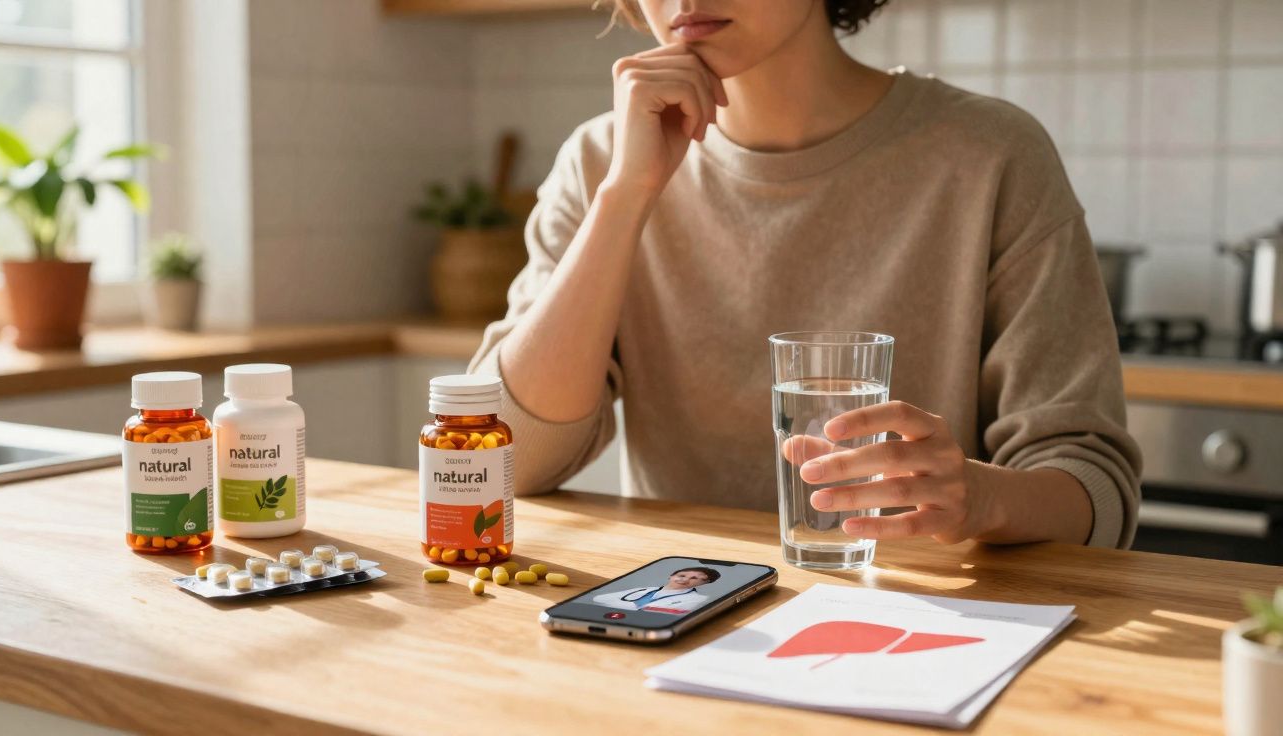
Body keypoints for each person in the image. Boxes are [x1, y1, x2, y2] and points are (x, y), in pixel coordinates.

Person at [469, 0, 1142, 549]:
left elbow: (1094, 492)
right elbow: (497, 462)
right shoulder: (600, 163)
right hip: (681, 624)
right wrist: (625, 198)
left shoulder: (992, 155)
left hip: (922, 634)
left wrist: (982, 498)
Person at [593, 567, 721, 613]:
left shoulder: (699, 600)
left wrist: (621, 604)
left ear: (704, 583)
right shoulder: (644, 589)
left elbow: (648, 612)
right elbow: (598, 598)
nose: (685, 579)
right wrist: (634, 607)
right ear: (671, 576)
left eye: (695, 578)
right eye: (681, 575)